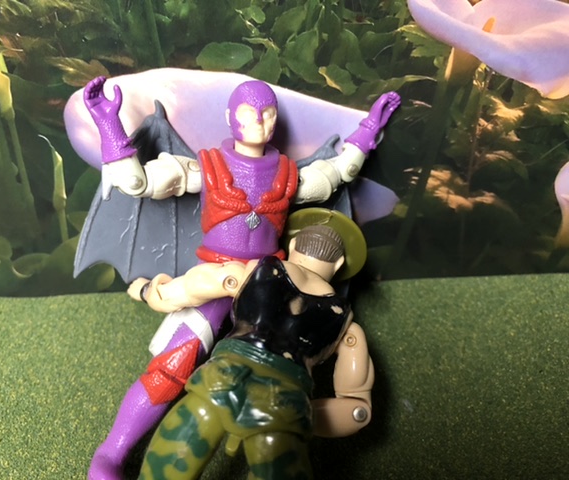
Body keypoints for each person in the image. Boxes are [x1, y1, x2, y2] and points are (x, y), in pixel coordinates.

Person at [84, 76, 397, 479]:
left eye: (268, 114)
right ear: (230, 116)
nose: (260, 123)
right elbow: (137, 182)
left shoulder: (289, 175)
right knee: (170, 368)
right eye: (250, 113)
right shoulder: (208, 167)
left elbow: (337, 172)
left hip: (268, 284)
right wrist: (108, 125)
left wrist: (367, 131)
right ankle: (111, 453)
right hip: (218, 277)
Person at [135, 220, 374, 479]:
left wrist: (148, 291)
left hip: (223, 376)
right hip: (283, 397)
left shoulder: (255, 271)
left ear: (293, 245)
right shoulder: (344, 322)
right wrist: (298, 414)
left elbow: (193, 286)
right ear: (339, 265)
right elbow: (357, 410)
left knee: (171, 457)